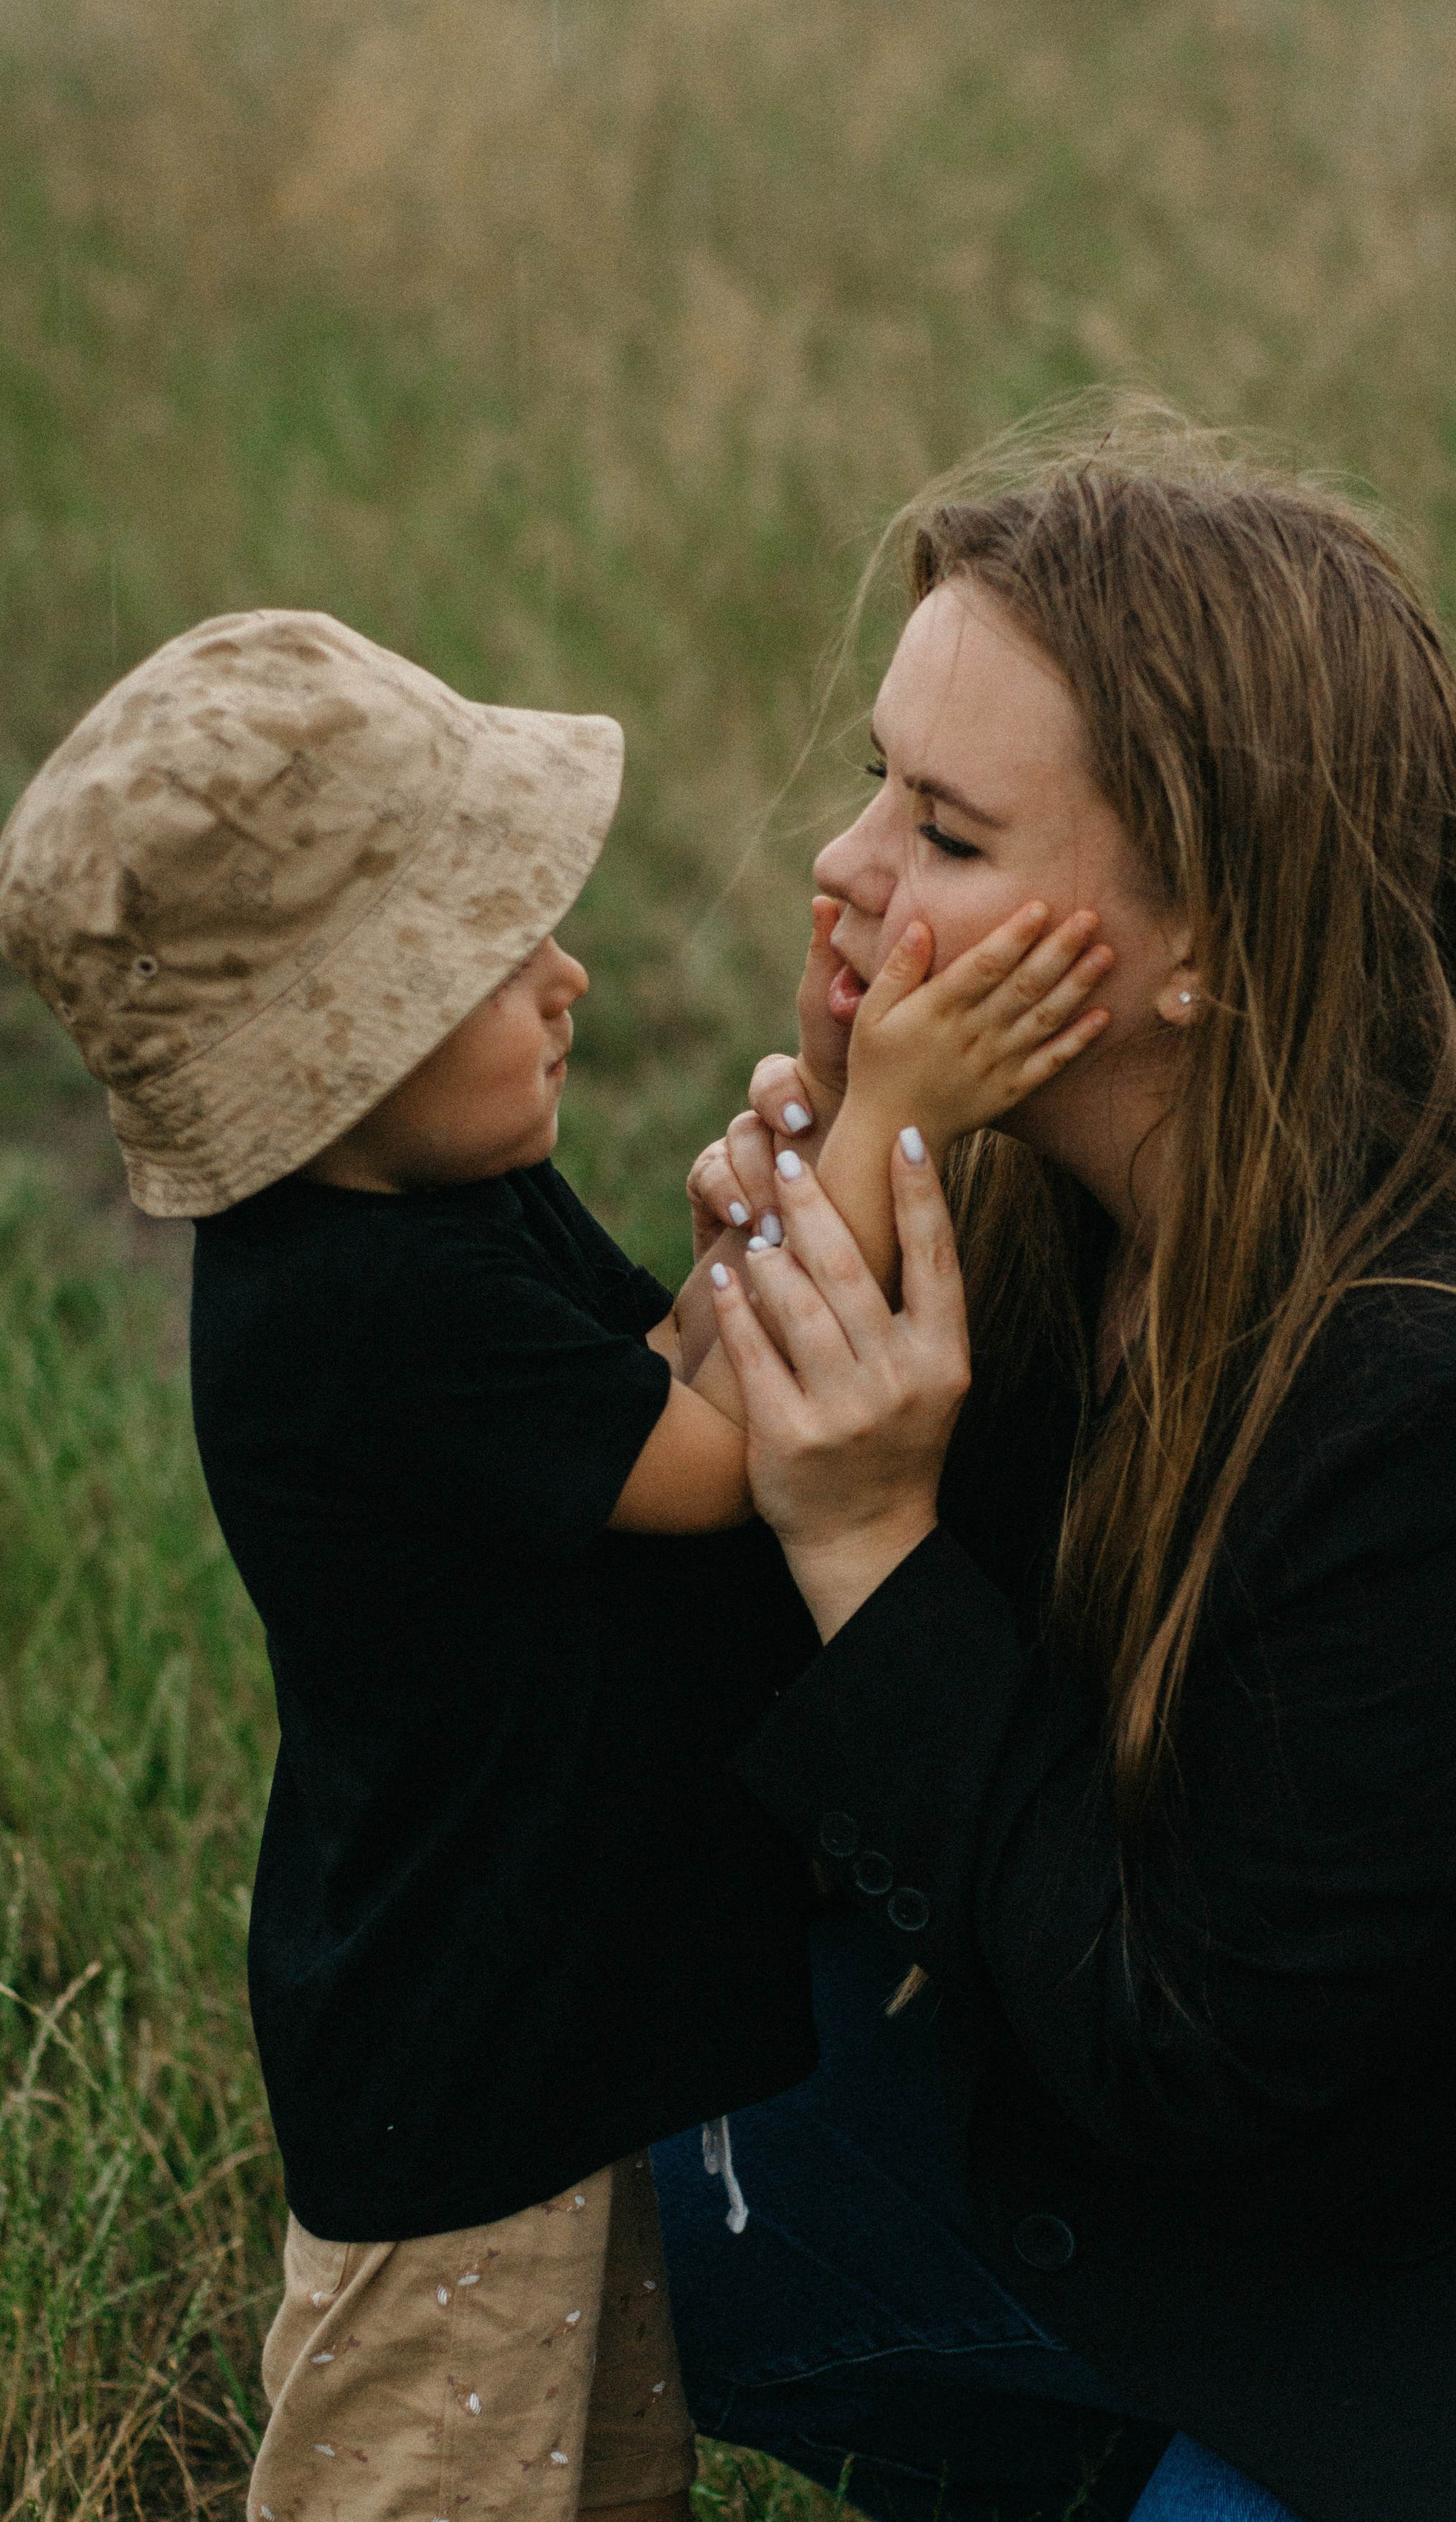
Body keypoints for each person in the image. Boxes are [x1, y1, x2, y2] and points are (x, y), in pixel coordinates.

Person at [663, 410, 1456, 2522]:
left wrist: (867, 1537)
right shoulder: (1039, 1220)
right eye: (875, 786)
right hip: (1259, 2151)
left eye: (945, 830)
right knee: (608, 2099)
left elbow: (1184, 2050)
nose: (841, 873)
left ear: (1206, 944)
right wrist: (764, 1349)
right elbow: (741, 1799)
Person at [0, 608, 1113, 2522]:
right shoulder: (344, 1310)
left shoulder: (449, 1204)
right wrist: (883, 1130)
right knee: (424, 2473)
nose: (570, 975)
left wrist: (780, 1200)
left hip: (556, 2007)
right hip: (464, 2057)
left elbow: (662, 1373)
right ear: (329, 1057)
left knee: (596, 2475)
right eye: (497, 960)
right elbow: (717, 1459)